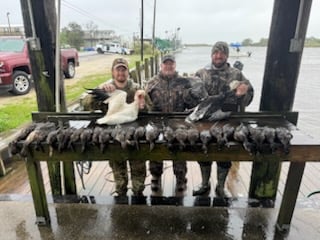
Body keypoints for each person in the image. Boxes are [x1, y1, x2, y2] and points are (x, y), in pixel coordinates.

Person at [192, 41, 254, 197]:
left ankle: (220, 187)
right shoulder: (201, 73)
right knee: (204, 152)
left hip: (228, 121)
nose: (218, 56)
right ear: (211, 54)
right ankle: (204, 184)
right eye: (215, 53)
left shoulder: (237, 74)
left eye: (222, 53)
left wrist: (243, 93)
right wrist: (192, 92)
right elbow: (191, 98)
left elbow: (249, 96)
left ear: (227, 55)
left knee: (225, 153)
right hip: (205, 121)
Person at [82, 57, 151, 196]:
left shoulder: (136, 88)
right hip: (113, 135)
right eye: (118, 69)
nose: (121, 72)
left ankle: (138, 195)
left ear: (128, 72)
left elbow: (149, 109)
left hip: (135, 135)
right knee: (119, 173)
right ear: (112, 72)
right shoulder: (105, 88)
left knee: (138, 172)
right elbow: (85, 104)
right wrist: (99, 90)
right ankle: (121, 195)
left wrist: (142, 104)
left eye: (124, 69)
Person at [145, 54, 203, 192]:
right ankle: (156, 177)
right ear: (161, 65)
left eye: (171, 64)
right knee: (155, 150)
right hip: (157, 122)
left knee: (179, 149)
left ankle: (181, 178)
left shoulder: (184, 82)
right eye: (166, 63)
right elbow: (146, 105)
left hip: (179, 122)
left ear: (175, 65)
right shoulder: (152, 83)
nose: (168, 66)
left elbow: (194, 104)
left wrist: (192, 95)